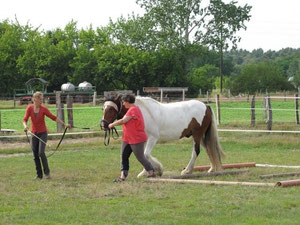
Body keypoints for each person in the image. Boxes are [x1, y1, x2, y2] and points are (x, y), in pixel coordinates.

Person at [23, 91, 70, 179]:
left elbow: (53, 117)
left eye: (42, 99)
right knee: (35, 155)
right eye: (40, 99)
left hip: (43, 133)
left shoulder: (44, 109)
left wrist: (64, 124)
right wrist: (25, 126)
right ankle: (39, 175)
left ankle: (47, 173)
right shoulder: (29, 108)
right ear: (35, 99)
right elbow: (24, 119)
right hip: (33, 134)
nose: (42, 100)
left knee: (41, 152)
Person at [108, 94, 154, 182]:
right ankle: (123, 176)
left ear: (128, 102)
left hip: (136, 138)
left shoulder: (133, 110)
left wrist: (112, 124)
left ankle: (151, 171)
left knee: (140, 157)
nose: (123, 103)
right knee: (124, 156)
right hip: (127, 138)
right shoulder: (132, 109)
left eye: (124, 102)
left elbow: (123, 120)